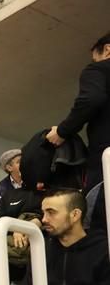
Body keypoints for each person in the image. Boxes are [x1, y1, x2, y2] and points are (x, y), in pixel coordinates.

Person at [47, 32, 110, 192]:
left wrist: (62, 131)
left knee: (99, 208)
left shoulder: (98, 69)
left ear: (107, 50)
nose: (94, 62)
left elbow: (91, 99)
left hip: (107, 151)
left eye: (95, 58)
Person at [0, 149, 23, 224]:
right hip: (10, 223)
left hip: (27, 220)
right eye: (19, 162)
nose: (24, 163)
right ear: (9, 168)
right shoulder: (2, 186)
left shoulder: (33, 179)